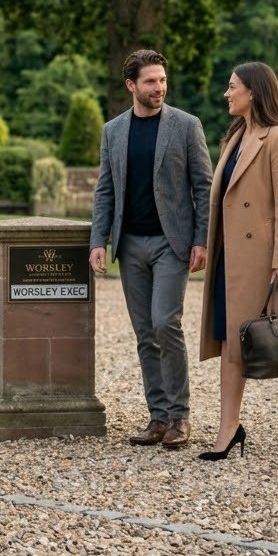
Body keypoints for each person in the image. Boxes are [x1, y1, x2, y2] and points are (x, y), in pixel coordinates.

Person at [89, 49, 213, 449]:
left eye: (162, 80)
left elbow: (204, 188)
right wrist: (98, 240)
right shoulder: (113, 131)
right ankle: (158, 417)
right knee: (145, 332)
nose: (159, 88)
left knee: (165, 323)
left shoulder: (186, 126)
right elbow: (105, 189)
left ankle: (180, 416)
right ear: (131, 85)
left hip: (171, 244)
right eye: (150, 81)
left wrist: (202, 240)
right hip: (129, 245)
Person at [198, 62, 278, 460]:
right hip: (231, 259)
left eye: (232, 87)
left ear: (253, 92)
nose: (227, 93)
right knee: (230, 340)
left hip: (266, 260)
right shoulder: (235, 136)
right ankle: (228, 428)